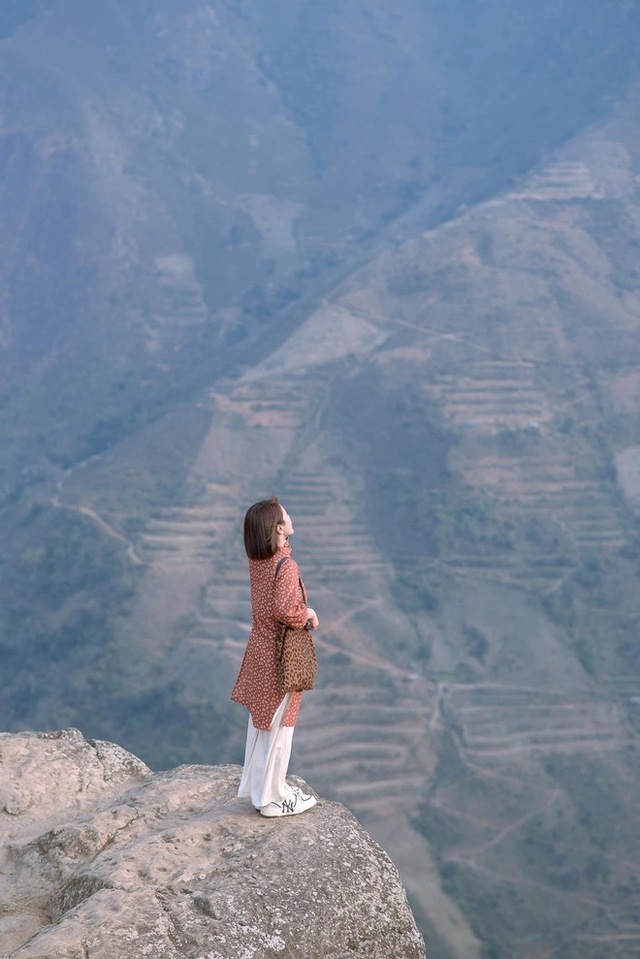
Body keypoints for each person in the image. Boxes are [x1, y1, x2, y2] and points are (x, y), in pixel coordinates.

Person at [231, 497, 319, 818]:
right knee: (281, 727)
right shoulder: (286, 565)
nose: (290, 515)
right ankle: (274, 797)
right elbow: (284, 609)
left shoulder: (260, 562)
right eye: (285, 515)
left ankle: (262, 791)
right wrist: (307, 613)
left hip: (260, 651)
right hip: (281, 657)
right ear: (280, 528)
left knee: (263, 724)